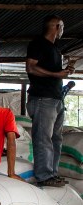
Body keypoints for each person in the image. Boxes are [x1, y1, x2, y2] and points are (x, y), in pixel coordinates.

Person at [26, 15, 76, 188]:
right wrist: (56, 74)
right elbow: (30, 67)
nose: (63, 30)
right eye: (62, 27)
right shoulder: (38, 44)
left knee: (56, 139)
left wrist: (64, 71)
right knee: (43, 138)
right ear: (56, 26)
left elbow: (53, 72)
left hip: (55, 98)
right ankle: (44, 175)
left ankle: (52, 173)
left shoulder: (55, 48)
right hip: (42, 98)